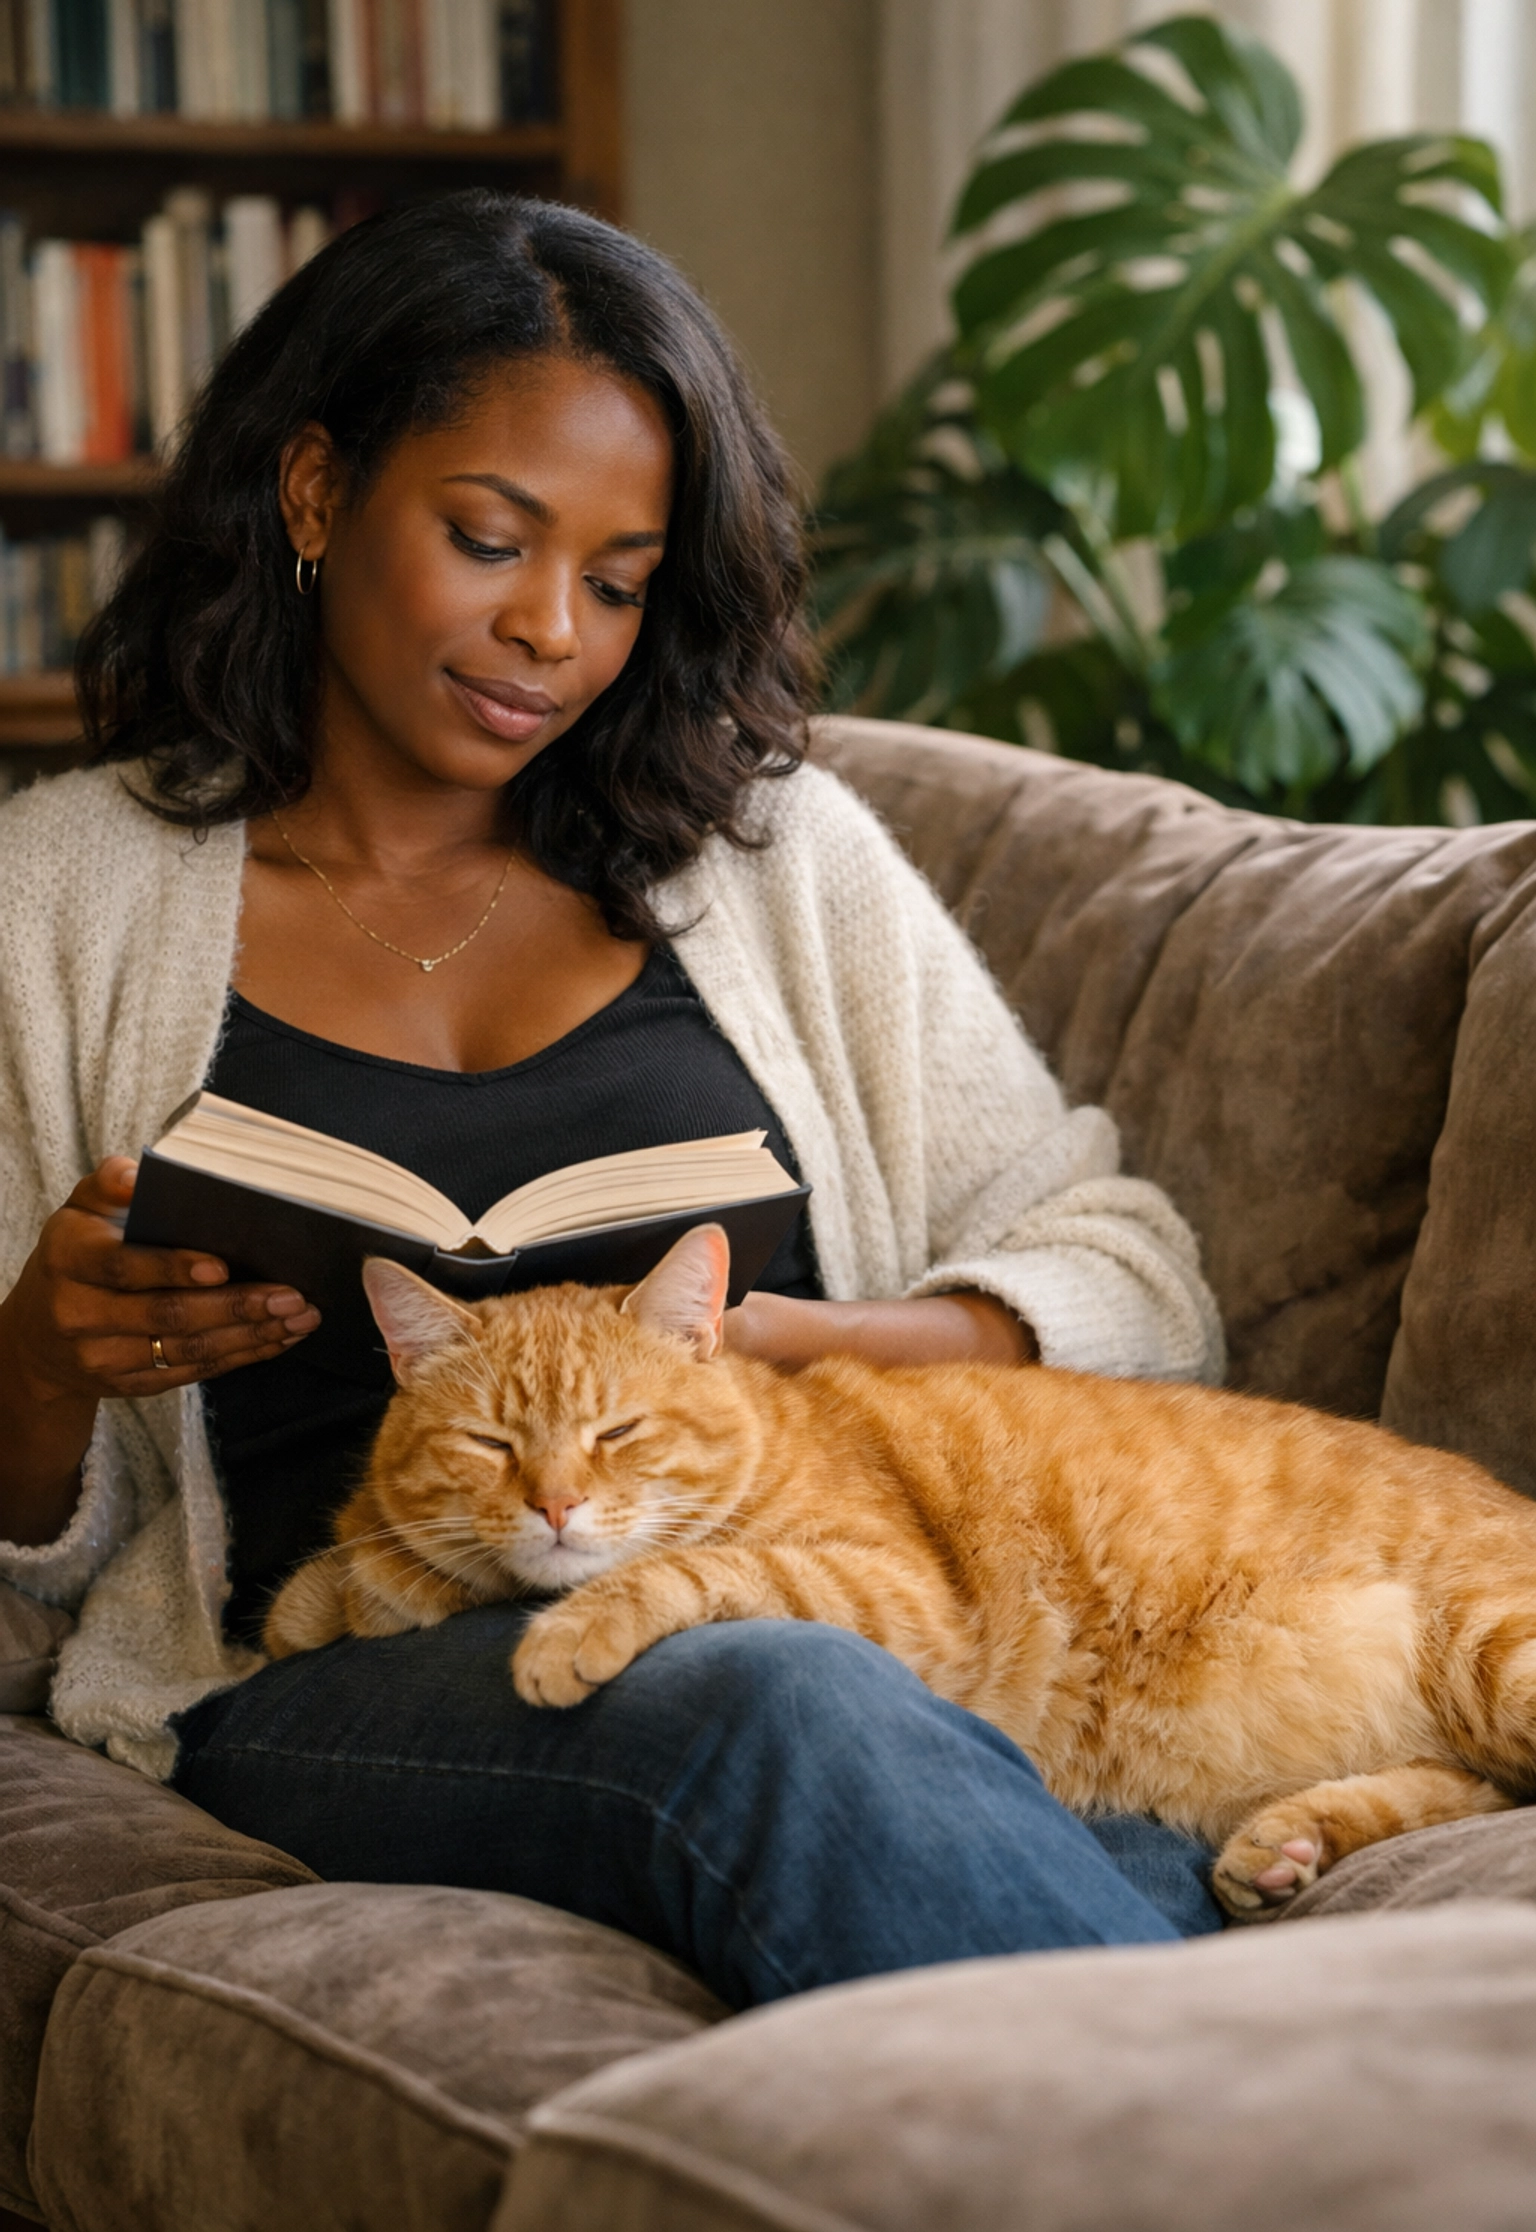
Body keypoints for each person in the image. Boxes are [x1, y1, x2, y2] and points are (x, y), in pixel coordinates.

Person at [0, 192, 1227, 2010]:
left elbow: (1131, 1281)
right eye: (489, 540)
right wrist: (38, 1363)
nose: (549, 634)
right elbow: (29, 1566)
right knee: (774, 1700)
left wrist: (822, 1346)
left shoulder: (777, 861)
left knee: (1060, 1784)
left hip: (834, 1602)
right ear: (319, 494)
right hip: (335, 1667)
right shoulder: (57, 898)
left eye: (619, 580)